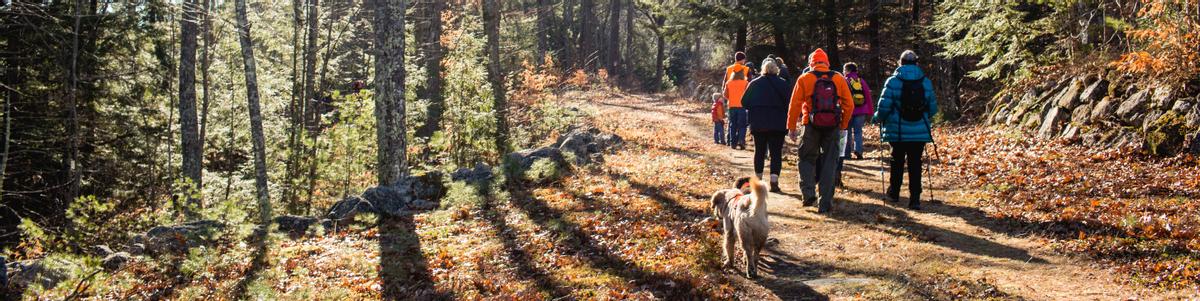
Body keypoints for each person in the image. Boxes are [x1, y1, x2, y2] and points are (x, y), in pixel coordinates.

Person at [787, 49, 854, 213]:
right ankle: (825, 202)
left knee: (806, 159)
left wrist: (791, 127)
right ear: (826, 62)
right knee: (830, 163)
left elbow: (794, 104)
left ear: (811, 62)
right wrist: (843, 124)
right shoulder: (838, 78)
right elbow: (849, 105)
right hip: (833, 126)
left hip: (809, 125)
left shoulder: (805, 78)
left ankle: (809, 194)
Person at [873, 50, 937, 210]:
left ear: (900, 63)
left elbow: (883, 107)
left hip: (898, 131)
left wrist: (877, 117)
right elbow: (933, 109)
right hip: (919, 131)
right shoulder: (926, 82)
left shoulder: (893, 81)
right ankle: (914, 198)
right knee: (916, 163)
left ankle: (894, 193)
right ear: (916, 63)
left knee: (897, 161)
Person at [742, 58, 792, 192]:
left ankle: (758, 181)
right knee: (776, 153)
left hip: (759, 123)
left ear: (763, 69)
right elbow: (790, 104)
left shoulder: (754, 83)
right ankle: (774, 182)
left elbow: (744, 102)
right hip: (778, 124)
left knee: (759, 151)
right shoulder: (783, 84)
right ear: (776, 69)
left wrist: (755, 107)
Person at [844, 62, 874, 159]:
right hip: (861, 110)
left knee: (846, 132)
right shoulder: (861, 81)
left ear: (848, 70)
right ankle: (859, 152)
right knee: (858, 132)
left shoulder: (845, 81)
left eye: (844, 70)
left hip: (848, 111)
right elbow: (868, 96)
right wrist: (870, 111)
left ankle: (846, 154)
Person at [723, 52, 752, 149]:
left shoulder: (729, 75)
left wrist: (730, 99)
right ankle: (741, 141)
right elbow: (750, 91)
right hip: (743, 106)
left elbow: (725, 93)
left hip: (731, 105)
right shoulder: (746, 76)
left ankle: (732, 142)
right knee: (742, 125)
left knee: (732, 124)